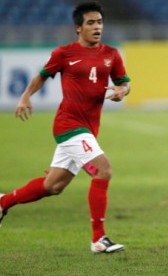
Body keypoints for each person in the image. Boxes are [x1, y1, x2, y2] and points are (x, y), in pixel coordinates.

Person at [0, 2, 130, 254]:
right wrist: (26, 96)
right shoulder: (64, 53)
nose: (97, 27)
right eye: (91, 23)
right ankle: (98, 239)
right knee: (103, 170)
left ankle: (4, 201)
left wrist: (122, 91)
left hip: (88, 129)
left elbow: (125, 83)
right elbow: (42, 75)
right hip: (68, 125)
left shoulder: (111, 55)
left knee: (53, 186)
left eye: (100, 22)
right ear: (78, 28)